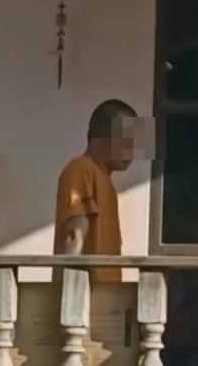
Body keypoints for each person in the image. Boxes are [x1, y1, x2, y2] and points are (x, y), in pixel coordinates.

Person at [54, 99, 138, 256]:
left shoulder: (106, 182)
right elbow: (75, 234)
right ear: (101, 136)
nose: (131, 149)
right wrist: (70, 273)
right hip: (85, 273)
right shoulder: (80, 169)